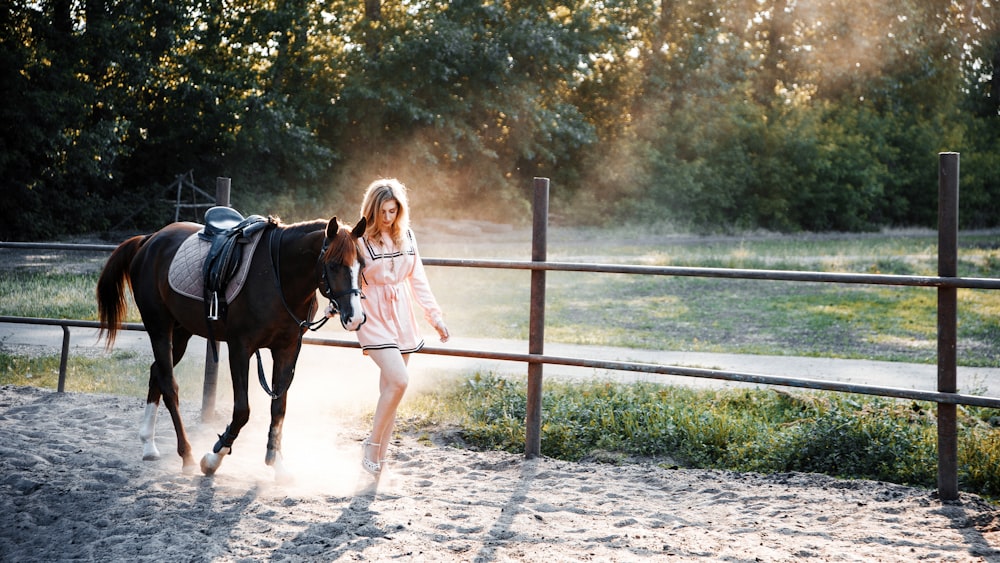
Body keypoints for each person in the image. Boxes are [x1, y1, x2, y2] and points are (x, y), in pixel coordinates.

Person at [337, 178, 449, 476]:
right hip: (372, 313)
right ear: (371, 211)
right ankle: (372, 445)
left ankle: (378, 464)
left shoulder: (407, 236)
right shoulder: (357, 240)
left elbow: (418, 280)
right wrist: (339, 305)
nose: (388, 218)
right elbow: (344, 277)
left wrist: (435, 316)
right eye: (383, 212)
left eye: (393, 211)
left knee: (391, 390)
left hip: (402, 314)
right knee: (400, 380)